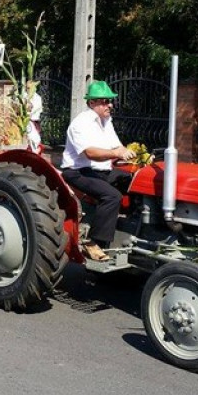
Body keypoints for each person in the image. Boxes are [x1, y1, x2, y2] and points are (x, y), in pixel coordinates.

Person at [61, 80, 135, 261]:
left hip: (98, 170)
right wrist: (116, 153)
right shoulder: (81, 123)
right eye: (104, 101)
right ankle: (93, 243)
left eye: (110, 101)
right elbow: (91, 153)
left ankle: (131, 230)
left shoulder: (106, 121)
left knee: (134, 181)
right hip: (77, 171)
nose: (109, 105)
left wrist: (132, 153)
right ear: (92, 102)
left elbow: (117, 146)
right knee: (112, 196)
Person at [25, 80, 43, 150]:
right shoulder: (23, 96)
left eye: (29, 88)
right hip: (24, 123)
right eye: (27, 88)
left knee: (35, 141)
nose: (28, 89)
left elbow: (36, 111)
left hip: (32, 122)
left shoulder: (38, 98)